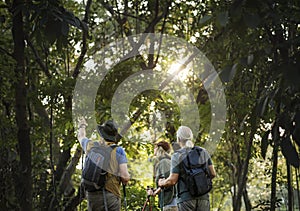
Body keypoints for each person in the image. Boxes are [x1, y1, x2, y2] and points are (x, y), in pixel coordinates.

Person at [158, 126, 216, 211]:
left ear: (178, 139)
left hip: (185, 198)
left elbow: (172, 180)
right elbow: (213, 174)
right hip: (203, 197)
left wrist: (162, 183)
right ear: (191, 137)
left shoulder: (177, 156)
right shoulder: (202, 152)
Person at [77, 118, 130, 211]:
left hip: (93, 196)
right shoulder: (118, 150)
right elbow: (124, 176)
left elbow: (81, 136)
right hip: (111, 194)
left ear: (101, 134)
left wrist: (82, 125)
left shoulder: (91, 146)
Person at [150, 141, 178, 211]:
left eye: (155, 148)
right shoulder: (167, 161)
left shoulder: (164, 162)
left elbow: (168, 182)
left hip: (170, 203)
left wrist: (155, 192)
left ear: (159, 149)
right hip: (170, 202)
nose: (154, 150)